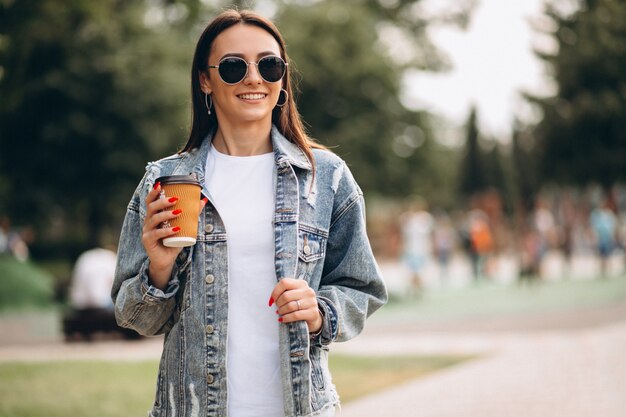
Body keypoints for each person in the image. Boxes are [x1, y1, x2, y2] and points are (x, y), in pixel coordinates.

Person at [111, 9, 387, 417]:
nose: (254, 78)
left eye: (269, 65)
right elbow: (135, 318)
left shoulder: (324, 178)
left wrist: (321, 312)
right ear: (205, 79)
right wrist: (159, 269)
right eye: (233, 66)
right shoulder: (166, 180)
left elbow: (363, 288)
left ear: (282, 80)